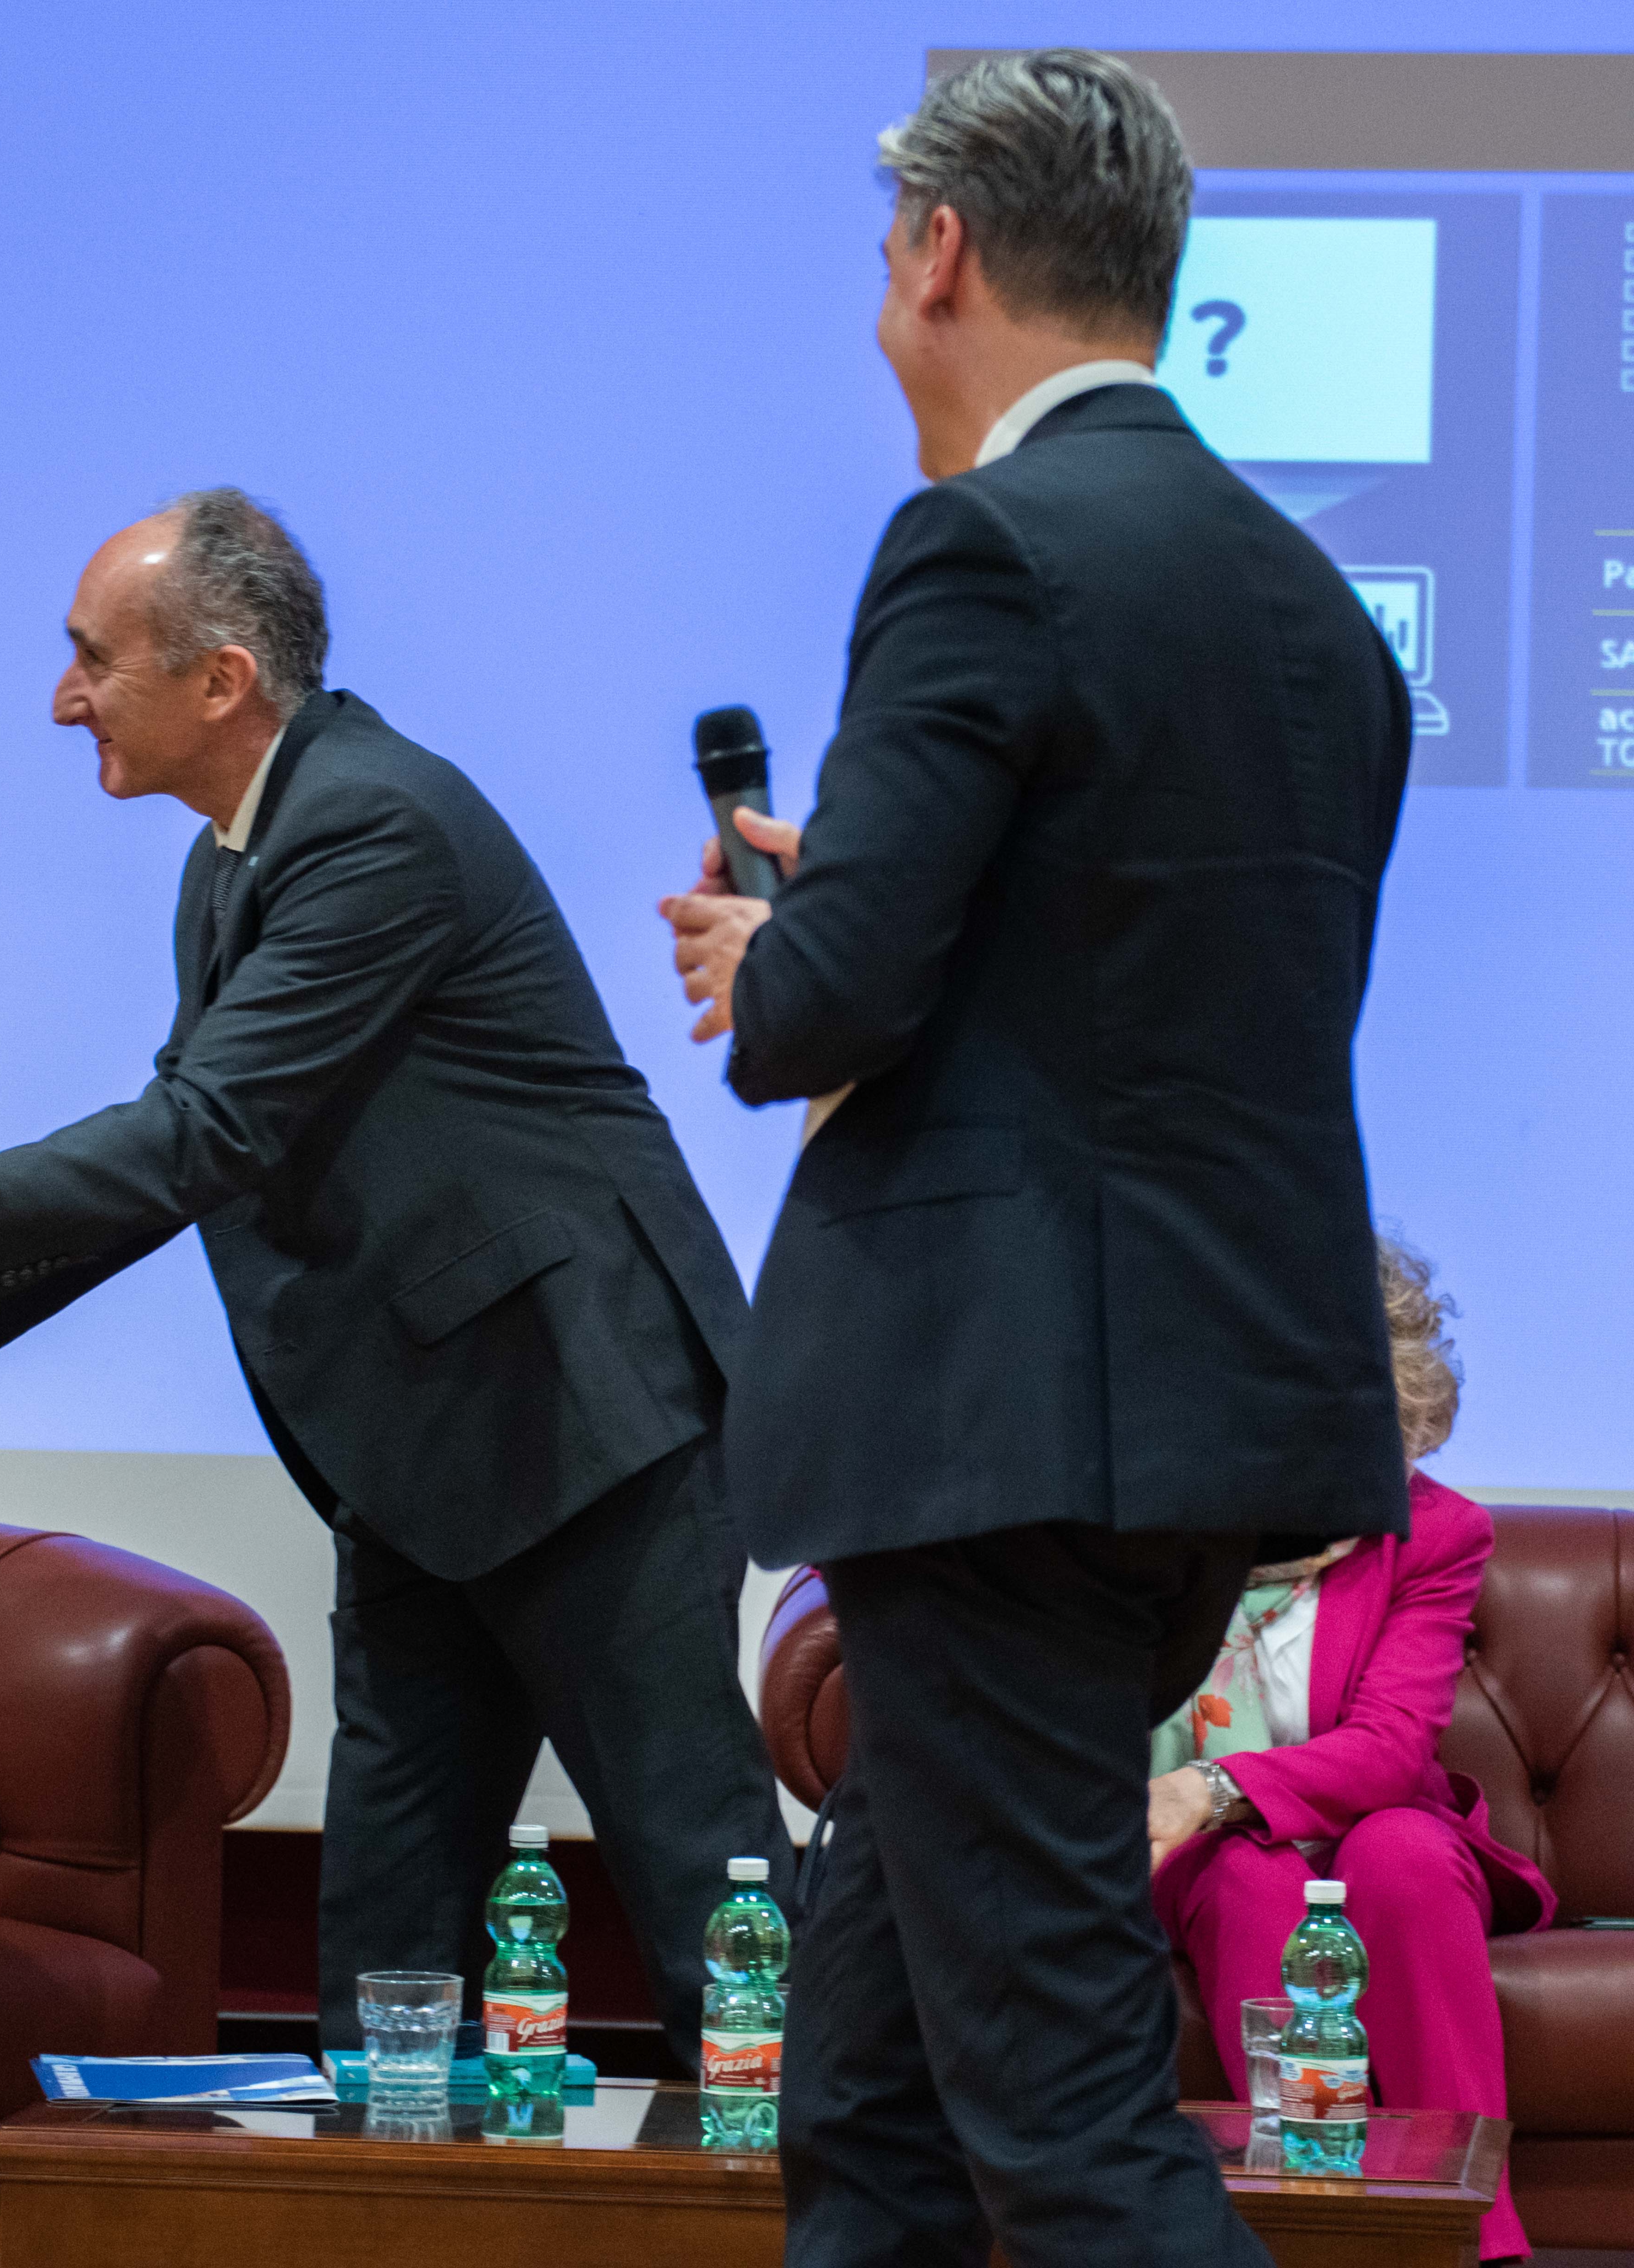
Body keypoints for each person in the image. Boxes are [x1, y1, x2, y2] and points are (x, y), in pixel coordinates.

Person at [0, 487, 794, 2064]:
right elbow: (201, 1134)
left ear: (222, 680)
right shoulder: (235, 857)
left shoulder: (372, 822)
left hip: (583, 1421)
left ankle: (848, 2189)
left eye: (95, 659)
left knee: (717, 1918)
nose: (63, 698)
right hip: (428, 1448)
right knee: (389, 1955)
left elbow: (210, 1128)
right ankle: (381, 2192)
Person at [656, 52, 1416, 2268]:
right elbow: (1143, 987)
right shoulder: (1313, 608)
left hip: (996, 1429)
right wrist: (883, 894)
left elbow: (824, 1007)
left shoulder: (979, 542)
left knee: (1066, 2122)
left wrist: (772, 942)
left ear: (937, 250)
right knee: (868, 2102)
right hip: (1195, 1426)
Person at [1153, 1239, 1551, 2261]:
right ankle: (1324, 2229)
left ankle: (1472, 2240)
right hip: (1205, 1851)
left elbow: (1386, 1749)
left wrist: (1210, 1785)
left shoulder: (1437, 1531)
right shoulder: (1158, 1516)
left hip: (1369, 1821)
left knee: (1402, 1856)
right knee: (1248, 1876)